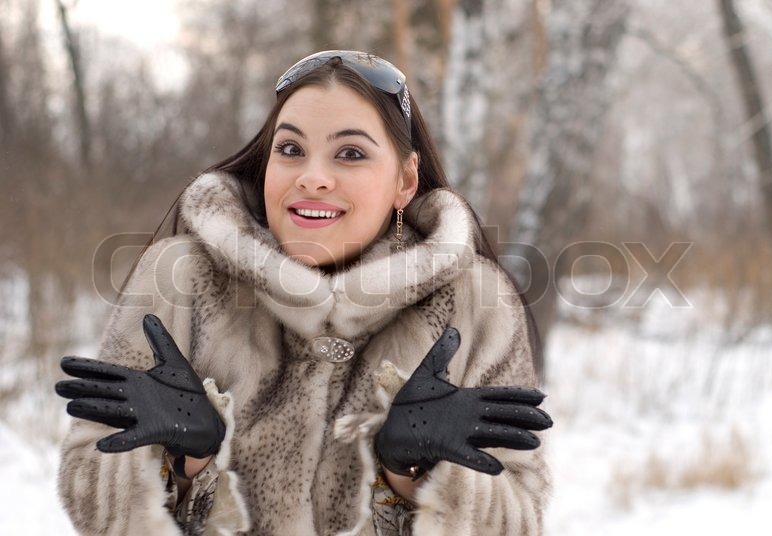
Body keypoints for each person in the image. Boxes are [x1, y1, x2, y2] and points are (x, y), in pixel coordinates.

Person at [55, 50, 553, 536]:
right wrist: (189, 466)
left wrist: (409, 476)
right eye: (290, 149)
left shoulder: (473, 300)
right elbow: (90, 492)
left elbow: (521, 519)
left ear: (404, 181)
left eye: (351, 153)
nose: (312, 177)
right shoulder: (180, 277)